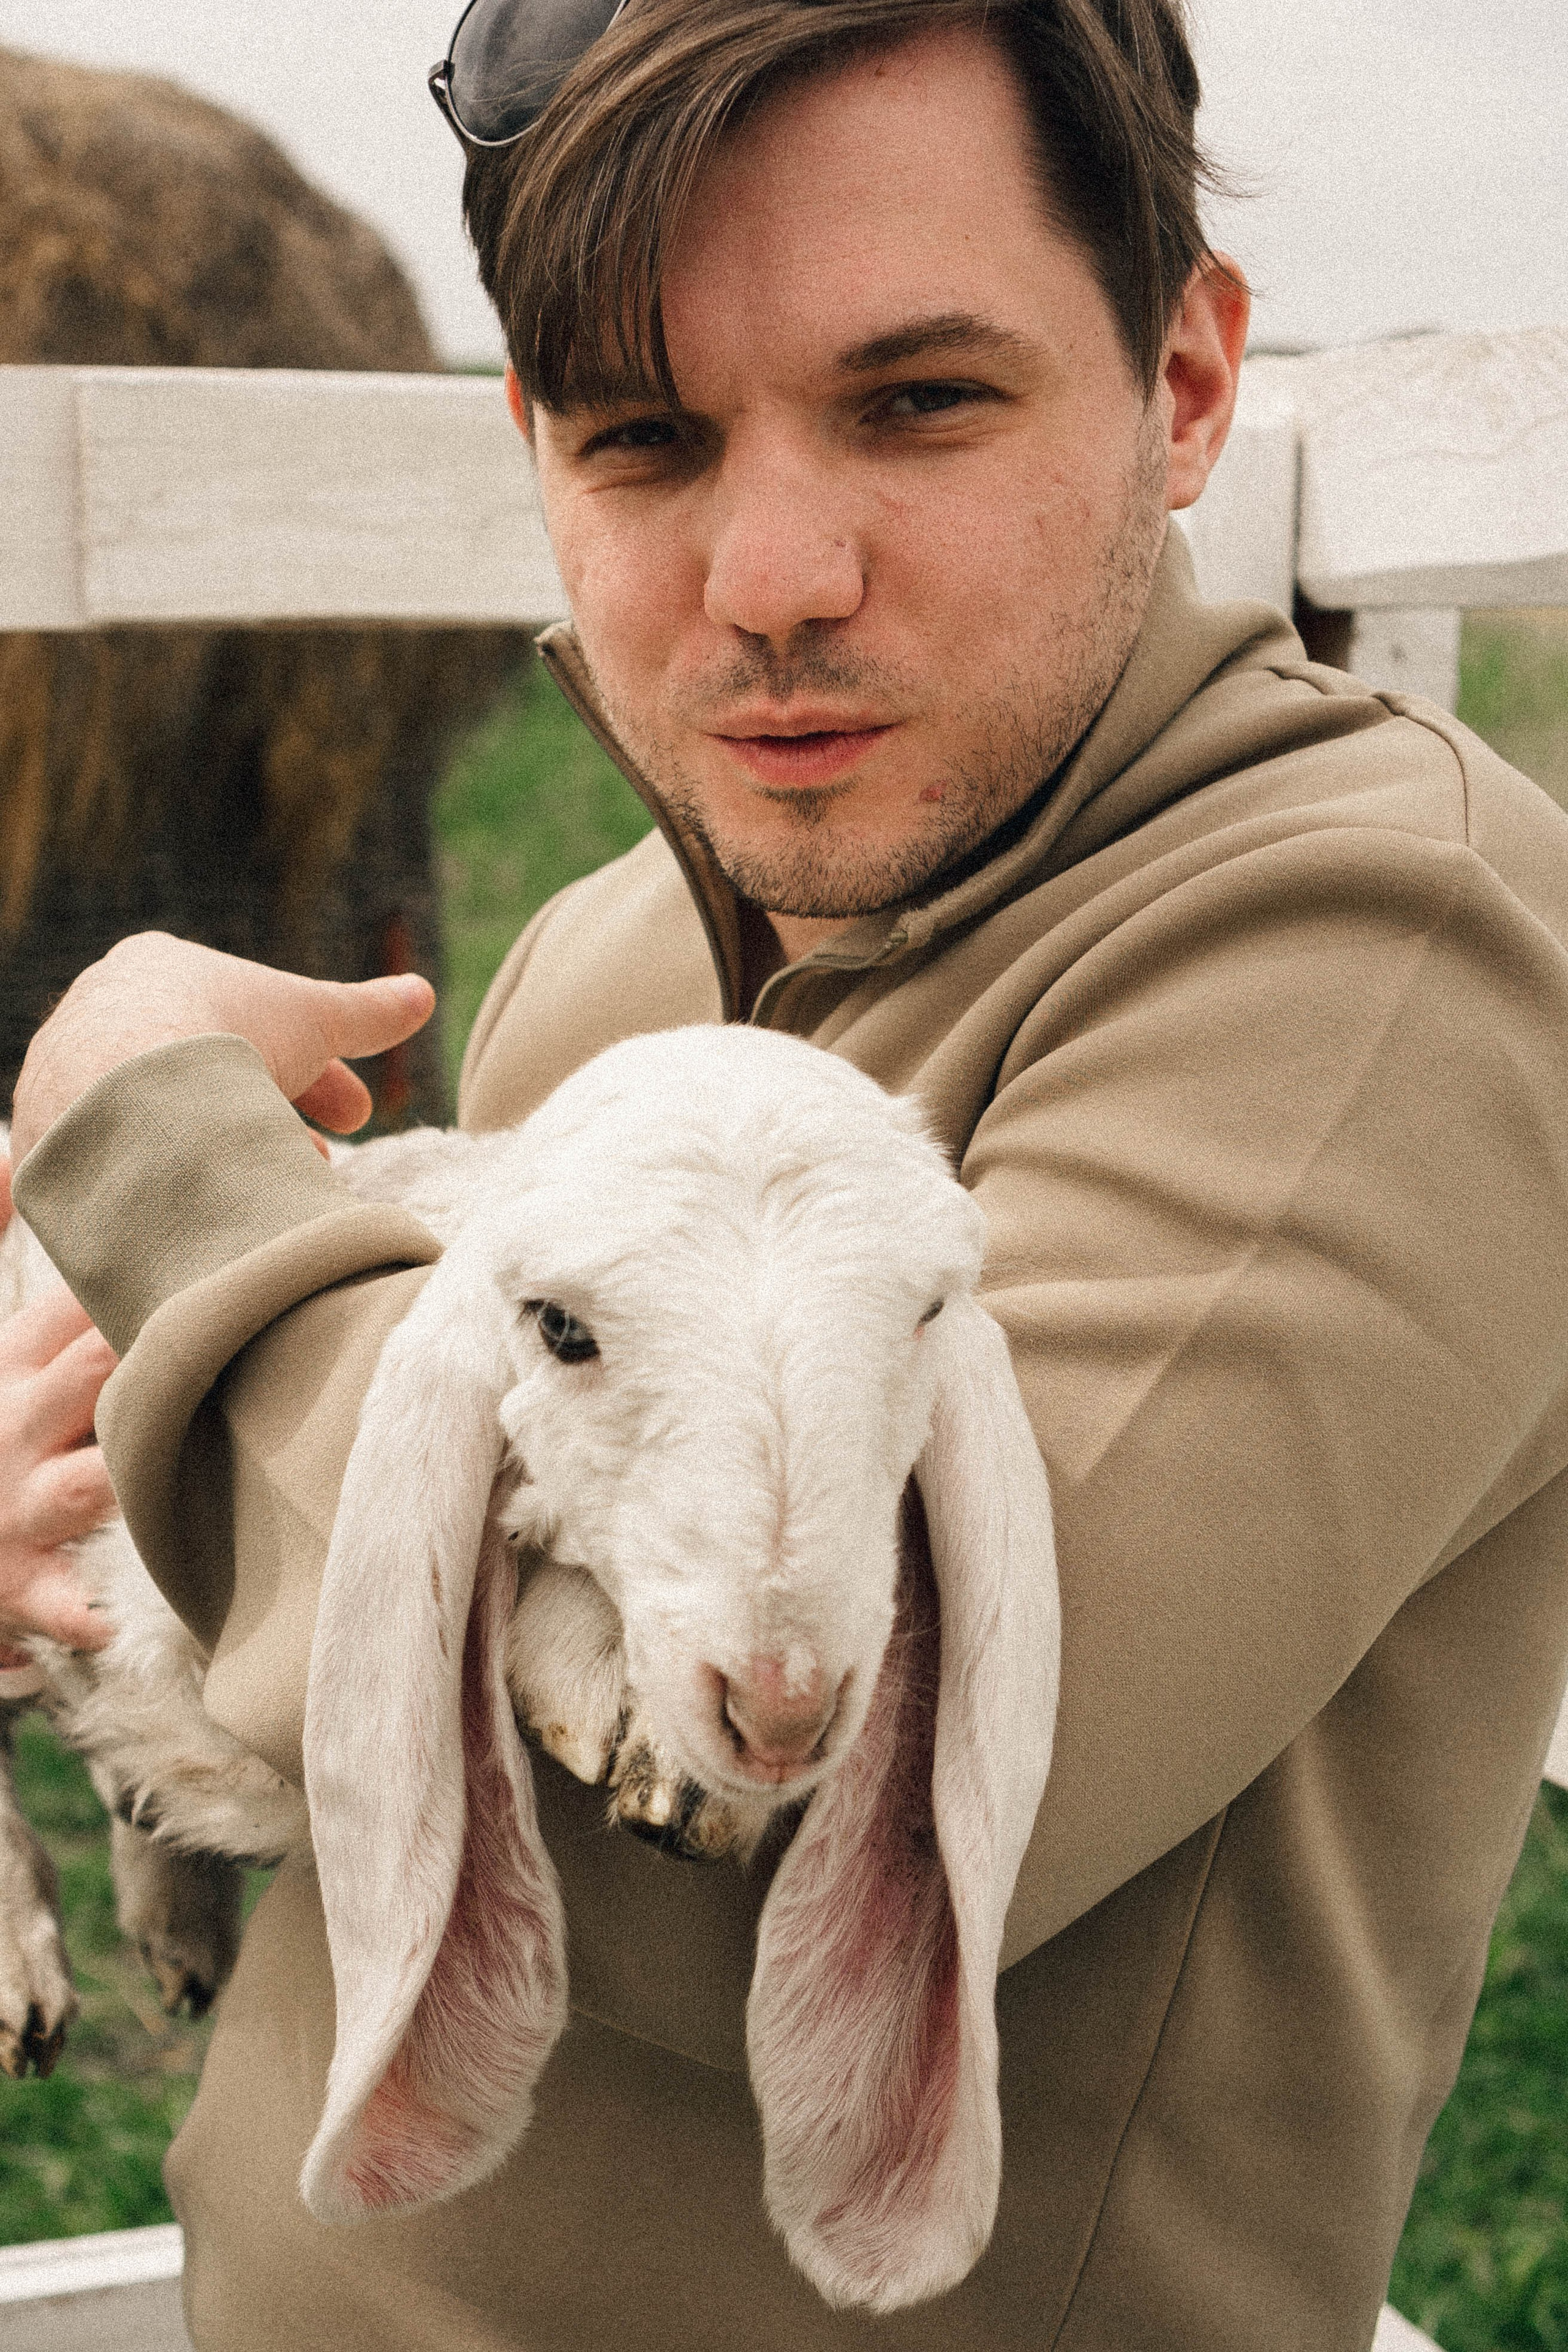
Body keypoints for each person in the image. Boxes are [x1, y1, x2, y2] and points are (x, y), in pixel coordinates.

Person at [8, 0, 1568, 2344]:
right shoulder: (610, 949)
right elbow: (358, 1670)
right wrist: (112, 1507)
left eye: (920, 401)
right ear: (534, 450)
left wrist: (159, 1163)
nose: (774, 575)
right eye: (645, 438)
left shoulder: (1382, 946)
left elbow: (797, 1814)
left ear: (1187, 384)